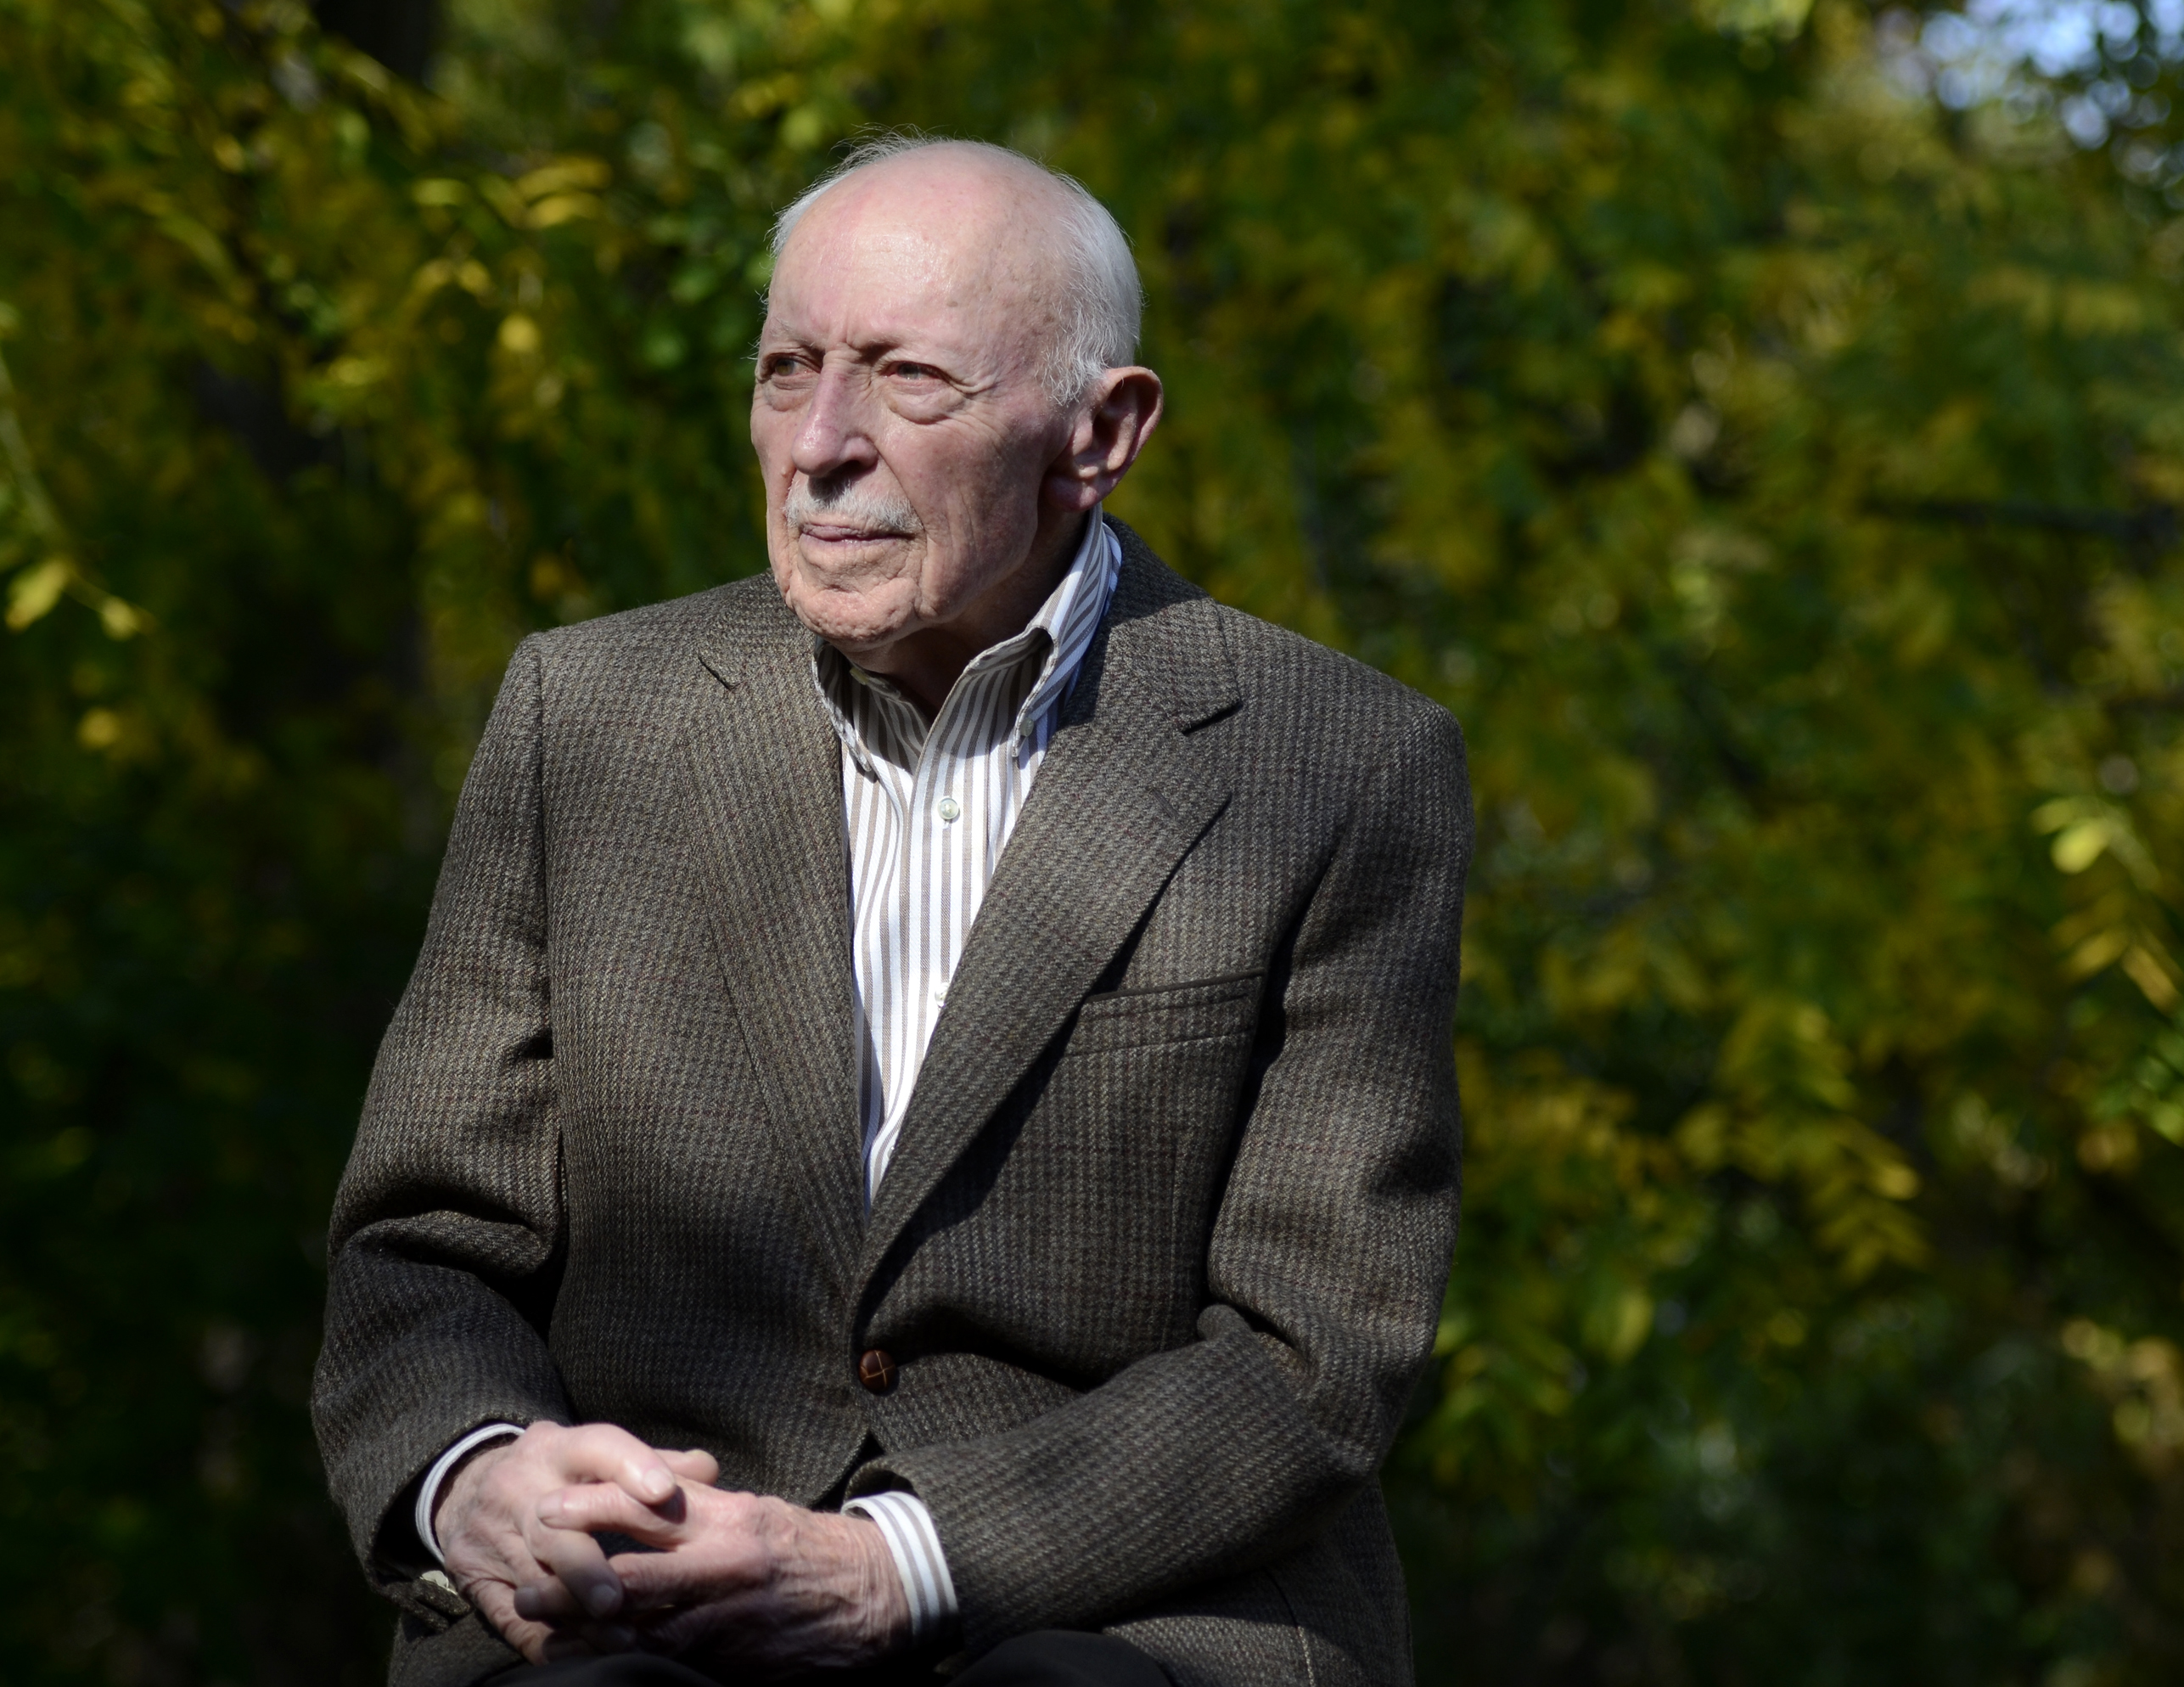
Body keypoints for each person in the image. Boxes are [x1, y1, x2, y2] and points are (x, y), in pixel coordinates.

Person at [312, 136, 1471, 1687]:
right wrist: (478, 1474)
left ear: (1099, 435)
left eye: (909, 379)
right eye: (786, 372)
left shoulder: (1333, 764)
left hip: (1121, 1625)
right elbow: (424, 1243)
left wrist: (895, 1565)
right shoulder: (585, 716)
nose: (821, 445)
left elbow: (1313, 1352)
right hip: (633, 1605)